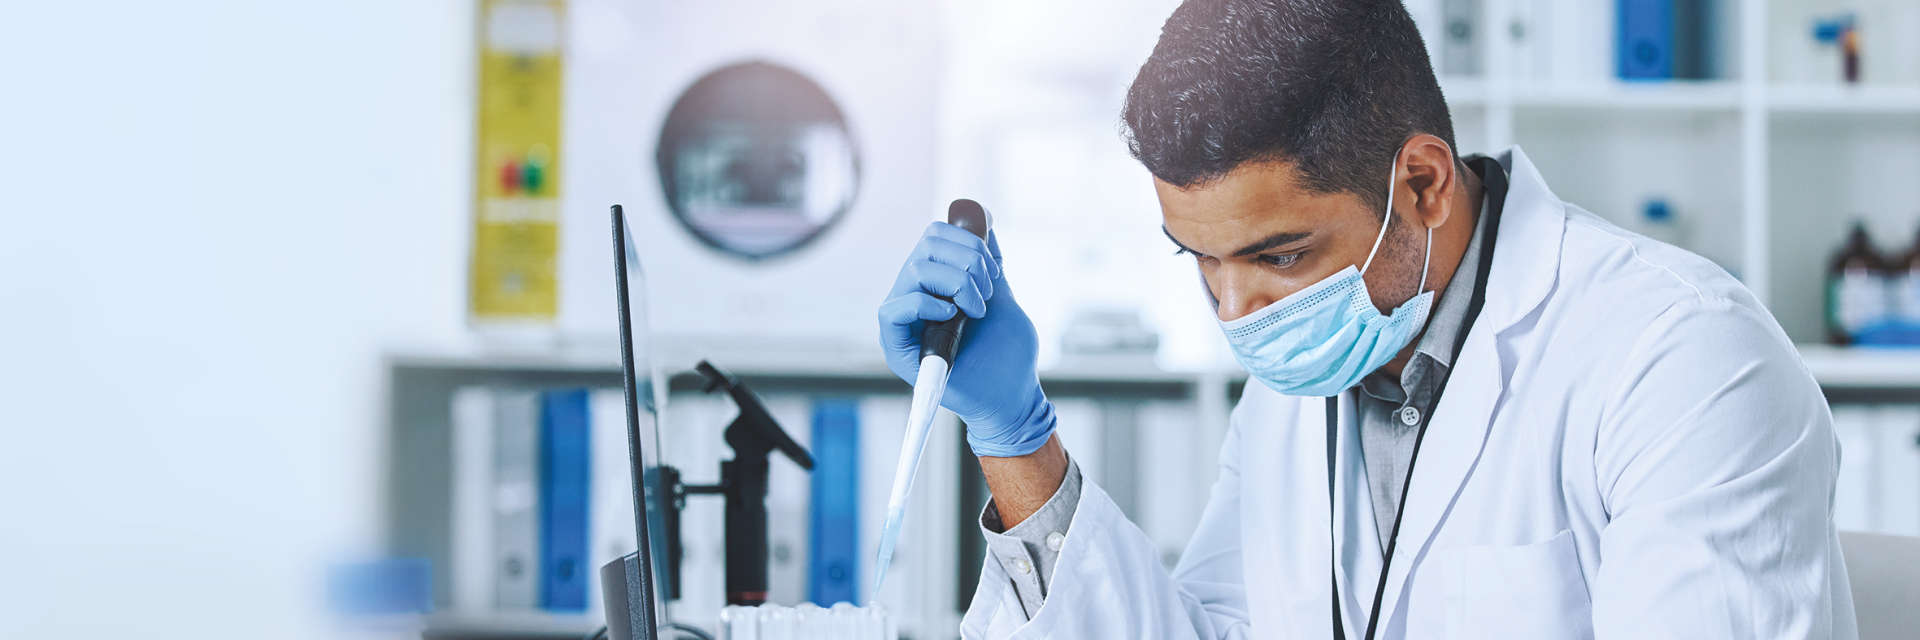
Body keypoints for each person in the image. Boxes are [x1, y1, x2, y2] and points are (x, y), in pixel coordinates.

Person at [876, 1, 1856, 637]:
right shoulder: (1297, 390)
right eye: (1200, 261)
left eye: (1279, 255)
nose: (1236, 310)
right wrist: (1015, 434)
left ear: (1422, 183)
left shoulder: (1680, 358)